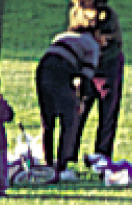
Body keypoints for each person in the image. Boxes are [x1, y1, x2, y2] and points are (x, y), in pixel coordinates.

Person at [69, 0, 125, 168]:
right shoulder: (75, 13)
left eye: (83, 2)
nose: (79, 5)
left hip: (106, 66)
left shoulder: (105, 15)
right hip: (85, 67)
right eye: (77, 2)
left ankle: (102, 155)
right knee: (78, 110)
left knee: (107, 111)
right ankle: (69, 154)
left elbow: (108, 41)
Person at [33, 28, 98, 176]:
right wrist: (81, 101)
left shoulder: (64, 35)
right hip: (61, 71)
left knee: (48, 121)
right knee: (70, 120)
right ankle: (61, 165)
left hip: (43, 69)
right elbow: (86, 78)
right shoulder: (92, 45)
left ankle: (48, 162)